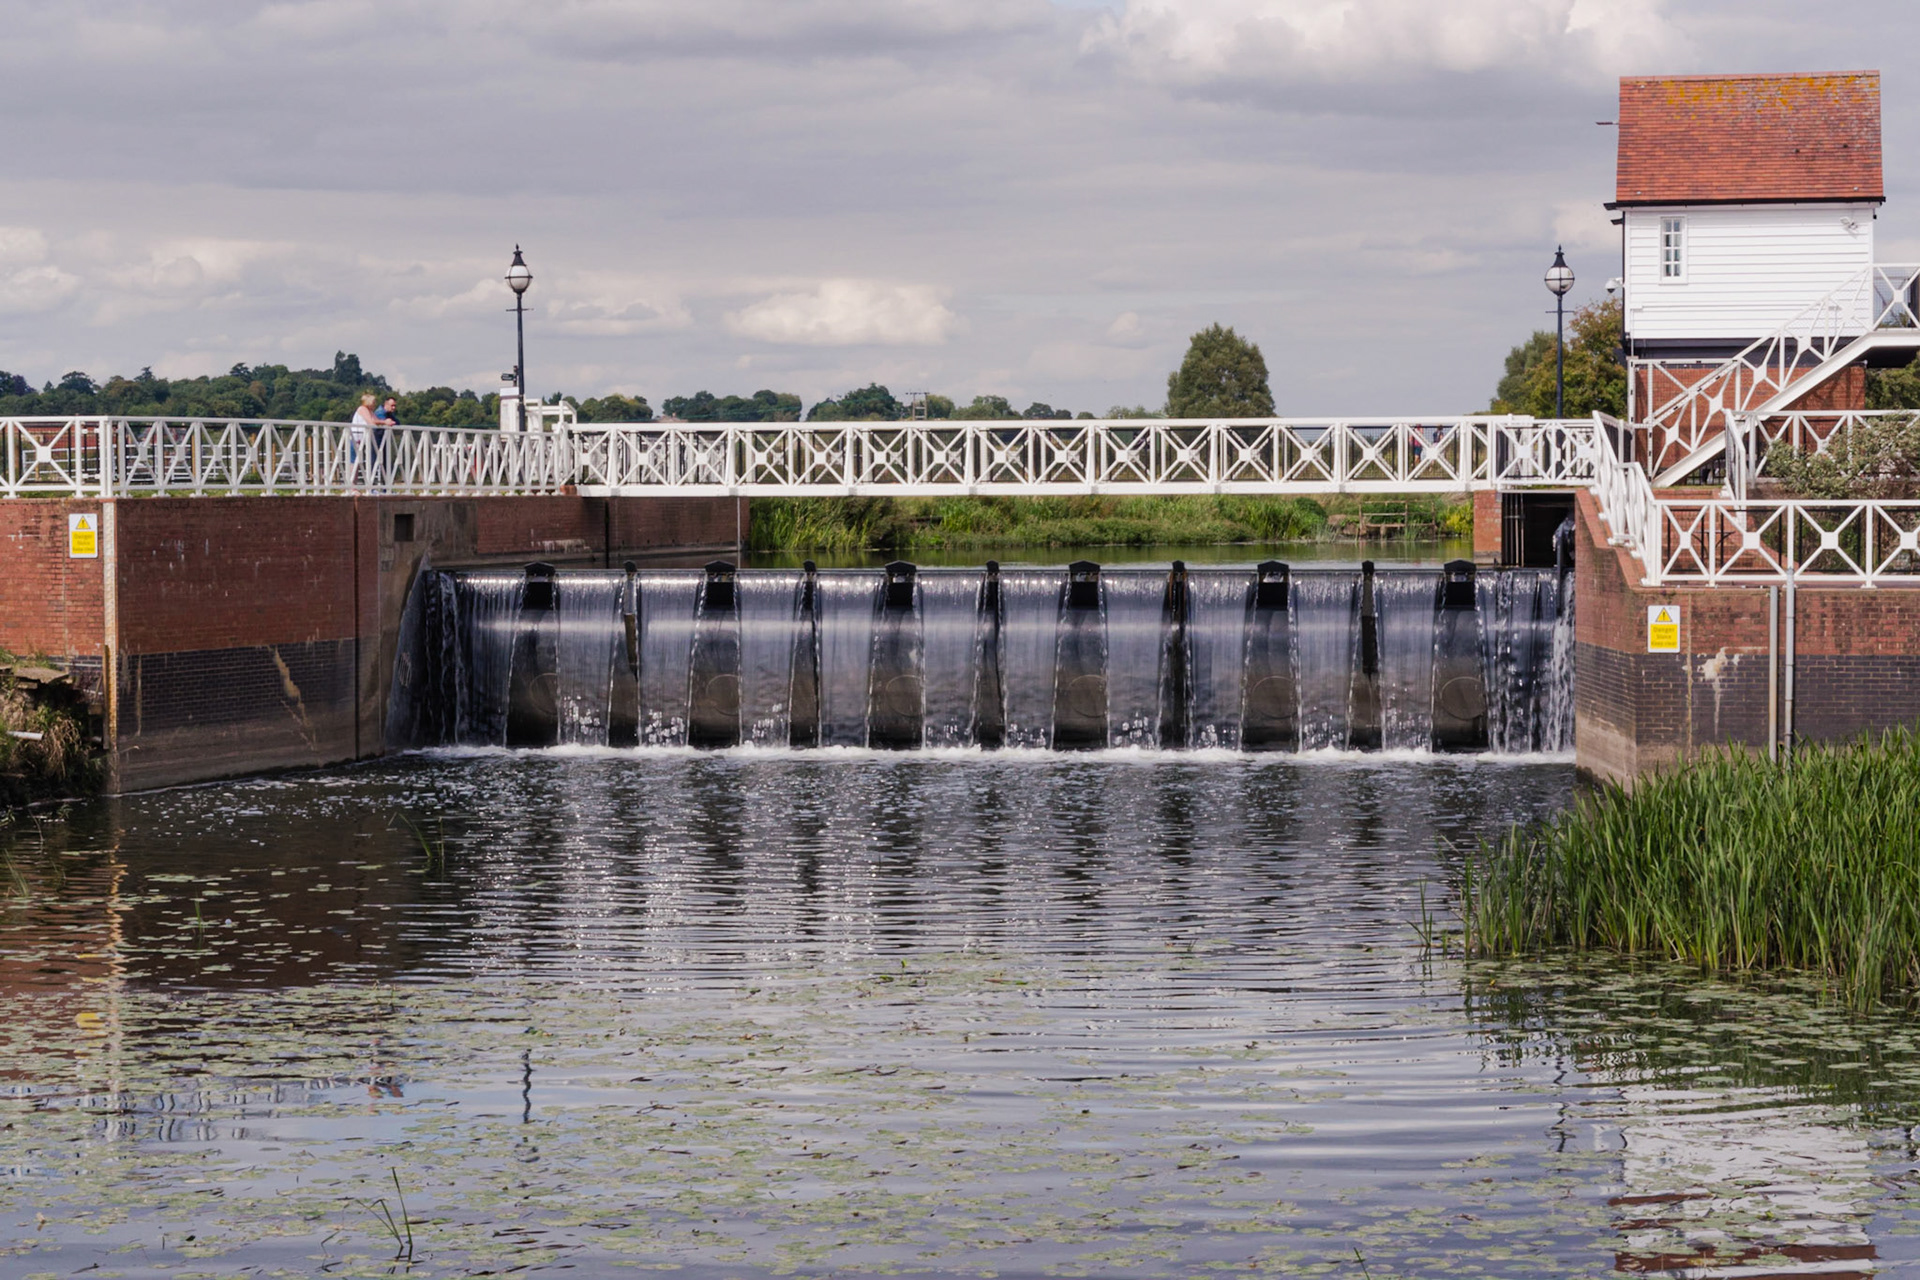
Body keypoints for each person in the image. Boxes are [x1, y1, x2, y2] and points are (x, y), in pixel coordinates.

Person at [350, 393, 379, 488]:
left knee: (358, 462)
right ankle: (352, 485)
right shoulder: (362, 409)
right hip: (356, 438)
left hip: (362, 440)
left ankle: (355, 485)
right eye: (374, 402)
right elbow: (370, 421)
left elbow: (375, 420)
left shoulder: (370, 411)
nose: (375, 404)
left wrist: (384, 422)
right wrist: (384, 422)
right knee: (354, 461)